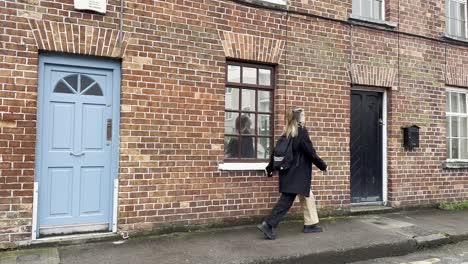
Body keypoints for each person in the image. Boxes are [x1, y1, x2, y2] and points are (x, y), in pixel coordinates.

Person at [257, 107, 328, 240]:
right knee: (286, 200)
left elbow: (275, 153)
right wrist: (323, 166)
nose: (305, 118)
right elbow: (311, 153)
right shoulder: (301, 132)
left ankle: (311, 224)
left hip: (289, 172)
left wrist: (270, 168)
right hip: (297, 173)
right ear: (299, 118)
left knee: (307, 195)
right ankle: (268, 224)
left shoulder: (286, 133)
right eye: (303, 116)